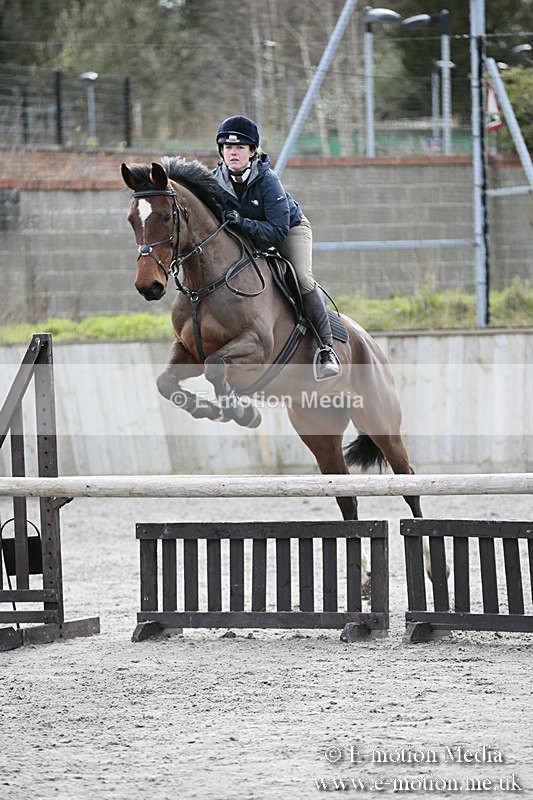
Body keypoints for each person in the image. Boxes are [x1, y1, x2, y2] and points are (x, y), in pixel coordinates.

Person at [212, 114, 341, 379]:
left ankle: (326, 349)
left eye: (239, 147)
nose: (233, 152)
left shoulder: (268, 180)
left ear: (252, 151)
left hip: (288, 231)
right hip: (248, 236)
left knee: (302, 278)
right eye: (227, 147)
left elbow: (276, 232)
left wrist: (242, 222)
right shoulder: (215, 182)